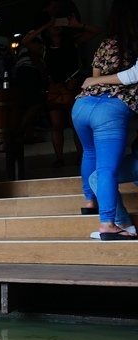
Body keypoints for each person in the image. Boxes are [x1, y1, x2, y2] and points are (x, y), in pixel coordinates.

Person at [72, 0, 138, 240]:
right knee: (107, 168)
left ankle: (90, 201)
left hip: (82, 105)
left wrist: (97, 81)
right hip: (112, 110)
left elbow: (95, 77)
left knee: (90, 153)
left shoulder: (107, 44)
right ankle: (108, 223)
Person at [24, 13, 100, 168]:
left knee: (76, 124)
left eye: (58, 24)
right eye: (52, 25)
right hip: (56, 89)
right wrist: (45, 26)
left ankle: (81, 156)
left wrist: (77, 25)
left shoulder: (72, 42)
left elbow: (97, 31)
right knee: (57, 125)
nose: (55, 27)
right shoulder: (44, 48)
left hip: (73, 88)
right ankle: (59, 158)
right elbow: (25, 41)